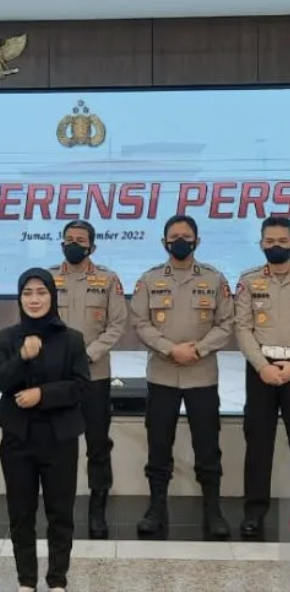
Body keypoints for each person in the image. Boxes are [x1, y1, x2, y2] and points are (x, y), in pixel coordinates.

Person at [130, 214, 234, 538]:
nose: (179, 241)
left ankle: (213, 510)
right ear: (164, 242)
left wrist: (198, 350)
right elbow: (140, 322)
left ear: (197, 241)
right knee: (159, 444)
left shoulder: (215, 279)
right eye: (173, 236)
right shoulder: (148, 280)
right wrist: (170, 349)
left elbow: (226, 323)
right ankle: (156, 508)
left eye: (186, 236)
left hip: (202, 376)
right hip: (162, 375)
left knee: (207, 446)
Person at [0, 268, 90, 592]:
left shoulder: (72, 339)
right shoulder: (8, 337)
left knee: (60, 512)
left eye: (41, 292)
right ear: (20, 298)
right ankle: (26, 580)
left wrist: (42, 395)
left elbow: (80, 387)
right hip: (18, 437)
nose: (34, 299)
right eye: (27, 293)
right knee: (21, 513)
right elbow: (0, 380)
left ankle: (58, 579)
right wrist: (22, 356)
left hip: (59, 437)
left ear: (52, 296)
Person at [49, 219, 127, 539]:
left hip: (95, 376)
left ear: (92, 246)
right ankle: (59, 508)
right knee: (58, 445)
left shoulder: (108, 280)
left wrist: (88, 354)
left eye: (80, 240)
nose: (74, 244)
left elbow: (117, 324)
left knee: (98, 445)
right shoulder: (47, 278)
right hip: (58, 377)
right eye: (69, 239)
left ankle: (98, 509)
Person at [234, 216, 290, 538]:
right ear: (261, 244)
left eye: (282, 241)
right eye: (270, 242)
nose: (276, 246)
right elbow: (242, 328)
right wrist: (262, 366)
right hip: (261, 369)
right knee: (258, 443)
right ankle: (254, 513)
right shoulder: (249, 280)